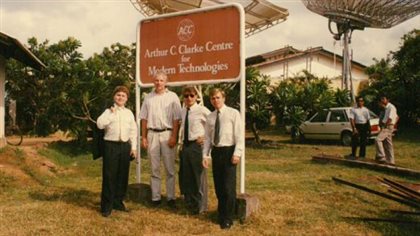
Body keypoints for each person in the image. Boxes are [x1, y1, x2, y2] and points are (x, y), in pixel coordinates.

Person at [202, 88, 244, 230]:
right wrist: (205, 155)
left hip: (229, 151)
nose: (216, 100)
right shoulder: (210, 117)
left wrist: (237, 153)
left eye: (218, 97)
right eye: (213, 98)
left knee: (228, 187)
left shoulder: (233, 113)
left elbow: (239, 135)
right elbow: (207, 138)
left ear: (224, 98)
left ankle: (228, 218)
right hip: (216, 151)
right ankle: (221, 213)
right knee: (219, 186)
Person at [139, 72, 182, 208]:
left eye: (161, 80)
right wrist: (144, 137)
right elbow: (144, 119)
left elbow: (176, 119)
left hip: (167, 133)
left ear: (166, 82)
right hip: (152, 134)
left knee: (169, 168)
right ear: (153, 82)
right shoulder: (148, 97)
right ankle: (155, 197)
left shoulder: (172, 97)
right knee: (154, 168)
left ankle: (170, 198)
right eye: (156, 80)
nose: (159, 83)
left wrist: (174, 136)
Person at [97, 85, 137, 217]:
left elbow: (133, 131)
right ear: (114, 97)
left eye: (123, 96)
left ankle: (118, 202)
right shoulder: (108, 111)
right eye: (118, 95)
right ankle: (106, 206)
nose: (120, 97)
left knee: (122, 175)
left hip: (124, 146)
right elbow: (100, 124)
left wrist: (134, 148)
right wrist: (111, 114)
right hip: (110, 146)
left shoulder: (129, 113)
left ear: (127, 99)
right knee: (109, 176)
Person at [179, 86, 210, 214]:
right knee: (187, 176)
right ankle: (190, 203)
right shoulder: (183, 111)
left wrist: (206, 137)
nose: (189, 98)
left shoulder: (202, 110)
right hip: (186, 146)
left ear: (197, 97)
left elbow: (214, 123)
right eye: (186, 96)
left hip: (197, 147)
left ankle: (201, 206)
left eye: (192, 95)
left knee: (199, 177)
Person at [375, 95, 398, 165]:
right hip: (387, 126)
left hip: (388, 126)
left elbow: (390, 118)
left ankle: (381, 156)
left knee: (377, 139)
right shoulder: (386, 108)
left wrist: (388, 125)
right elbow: (397, 117)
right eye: (381, 99)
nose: (382, 100)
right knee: (388, 144)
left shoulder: (391, 107)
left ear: (388, 100)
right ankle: (391, 161)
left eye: (383, 99)